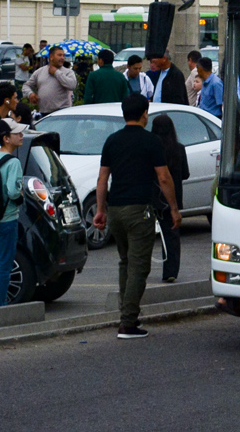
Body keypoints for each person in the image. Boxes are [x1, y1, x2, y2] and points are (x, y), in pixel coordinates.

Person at [93, 94, 181, 339]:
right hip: (139, 209)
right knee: (139, 266)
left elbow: (102, 179)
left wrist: (101, 210)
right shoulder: (151, 141)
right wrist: (174, 209)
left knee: (125, 262)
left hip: (116, 209)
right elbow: (164, 177)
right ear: (144, 113)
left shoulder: (111, 141)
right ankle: (128, 322)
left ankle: (126, 314)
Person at [0, 118, 27, 307]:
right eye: (17, 133)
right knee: (4, 264)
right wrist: (21, 193)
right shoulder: (14, 163)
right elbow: (12, 191)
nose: (21, 136)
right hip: (8, 218)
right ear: (6, 138)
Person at [150, 114, 189, 283]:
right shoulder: (179, 148)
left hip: (152, 197)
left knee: (144, 235)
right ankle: (170, 271)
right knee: (171, 235)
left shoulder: (151, 148)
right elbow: (185, 174)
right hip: (173, 198)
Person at [24, 46, 76, 113]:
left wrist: (56, 72)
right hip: (44, 112)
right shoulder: (39, 72)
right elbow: (26, 86)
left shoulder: (68, 72)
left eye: (63, 55)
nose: (62, 58)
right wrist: (30, 94)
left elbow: (72, 85)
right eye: (59, 55)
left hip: (62, 112)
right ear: (51, 57)